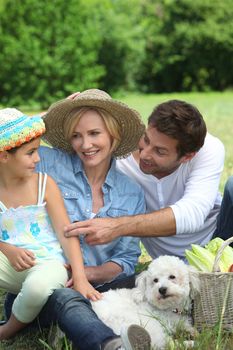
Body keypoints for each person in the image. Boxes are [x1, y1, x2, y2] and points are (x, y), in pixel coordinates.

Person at [2, 90, 151, 350]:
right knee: (65, 297)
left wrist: (86, 274)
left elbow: (127, 259)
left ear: (114, 136)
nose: (85, 145)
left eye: (94, 133)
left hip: (96, 284)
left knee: (143, 278)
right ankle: (109, 344)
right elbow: (9, 143)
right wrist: (41, 119)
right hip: (40, 280)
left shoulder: (131, 192)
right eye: (76, 135)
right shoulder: (47, 162)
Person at [64, 99, 226, 260]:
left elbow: (192, 214)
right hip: (168, 264)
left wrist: (117, 226)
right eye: (146, 140)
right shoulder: (117, 155)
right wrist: (43, 120)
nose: (144, 154)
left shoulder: (208, 148)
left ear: (187, 157)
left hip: (220, 240)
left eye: (160, 151)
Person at [0, 108, 101, 340]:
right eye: (31, 152)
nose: (38, 158)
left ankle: (8, 329)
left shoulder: (44, 184)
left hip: (49, 264)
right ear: (4, 156)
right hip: (10, 264)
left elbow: (66, 233)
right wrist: (6, 248)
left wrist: (80, 277)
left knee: (37, 288)